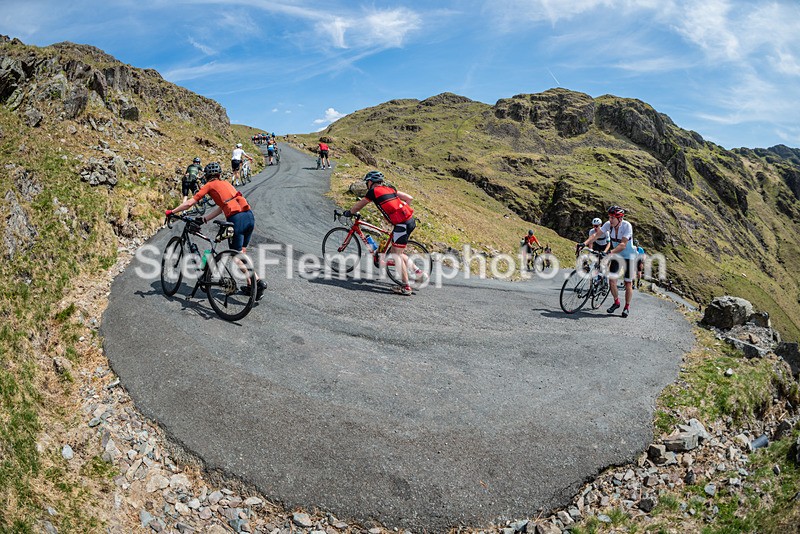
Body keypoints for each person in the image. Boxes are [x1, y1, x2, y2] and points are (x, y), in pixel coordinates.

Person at [165, 162, 267, 300]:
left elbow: (190, 203)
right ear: (218, 174)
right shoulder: (226, 183)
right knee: (242, 253)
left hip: (237, 219)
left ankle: (258, 281)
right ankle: (251, 286)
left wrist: (172, 211)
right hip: (249, 216)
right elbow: (222, 206)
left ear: (207, 176)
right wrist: (205, 219)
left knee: (237, 258)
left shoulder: (209, 185)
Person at [343, 171, 415, 295]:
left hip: (401, 225)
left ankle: (406, 287)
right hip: (409, 221)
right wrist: (400, 212)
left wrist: (349, 212)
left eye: (367, 183)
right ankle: (419, 273)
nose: (367, 185)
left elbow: (360, 205)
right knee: (397, 252)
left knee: (397, 255)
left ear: (370, 182)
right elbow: (409, 198)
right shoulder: (390, 188)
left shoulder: (372, 192)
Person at [582, 206, 636, 318]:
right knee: (612, 281)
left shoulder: (627, 226)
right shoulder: (608, 225)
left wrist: (609, 252)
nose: (610, 220)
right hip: (617, 255)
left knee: (627, 283)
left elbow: (623, 245)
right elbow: (595, 235)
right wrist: (584, 243)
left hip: (629, 257)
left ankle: (626, 307)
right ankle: (616, 302)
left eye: (612, 218)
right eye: (609, 217)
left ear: (620, 219)